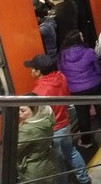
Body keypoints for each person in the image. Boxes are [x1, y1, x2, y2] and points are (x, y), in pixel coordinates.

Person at [25, 54, 90, 184]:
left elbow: (40, 116)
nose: (30, 71)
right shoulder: (61, 77)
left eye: (32, 69)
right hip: (65, 123)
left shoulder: (39, 92)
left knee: (58, 162)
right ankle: (84, 179)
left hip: (53, 130)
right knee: (72, 152)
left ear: (38, 72)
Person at [57, 30, 101, 148]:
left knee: (82, 115)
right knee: (100, 107)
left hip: (76, 90)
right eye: (81, 36)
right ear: (78, 39)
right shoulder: (89, 52)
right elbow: (97, 68)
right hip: (93, 85)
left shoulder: (62, 56)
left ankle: (86, 140)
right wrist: (98, 78)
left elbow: (62, 72)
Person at [17, 102, 61, 184]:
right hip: (48, 163)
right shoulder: (46, 121)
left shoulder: (27, 130)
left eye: (23, 111)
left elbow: (14, 150)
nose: (19, 113)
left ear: (34, 111)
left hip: (33, 170)